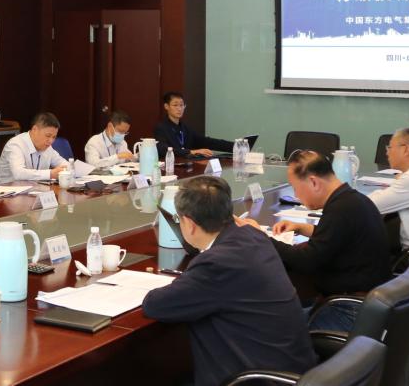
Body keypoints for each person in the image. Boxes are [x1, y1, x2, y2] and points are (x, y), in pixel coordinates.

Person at [142, 176, 316, 386]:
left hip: (260, 379)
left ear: (189, 223)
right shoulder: (253, 236)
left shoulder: (216, 264)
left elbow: (155, 305)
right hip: (292, 369)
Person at [240, 150, 390, 331]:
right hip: (366, 304)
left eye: (295, 187)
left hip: (348, 310)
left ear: (313, 182)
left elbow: (306, 261)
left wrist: (261, 237)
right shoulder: (352, 199)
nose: (296, 195)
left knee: (268, 331)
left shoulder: (340, 209)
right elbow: (338, 236)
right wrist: (302, 227)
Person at [153, 91, 233, 158]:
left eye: (181, 105)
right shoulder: (161, 128)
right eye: (175, 105)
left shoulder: (185, 128)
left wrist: (236, 146)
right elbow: (163, 150)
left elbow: (207, 141)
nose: (179, 108)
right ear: (166, 106)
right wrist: (191, 152)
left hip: (187, 166)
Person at [0, 112, 68, 184]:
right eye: (48, 136)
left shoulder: (47, 147)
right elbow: (18, 173)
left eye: (54, 137)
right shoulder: (16, 144)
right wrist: (50, 174)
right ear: (34, 129)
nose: (51, 141)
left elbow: (64, 164)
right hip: (7, 189)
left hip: (34, 189)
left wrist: (68, 169)